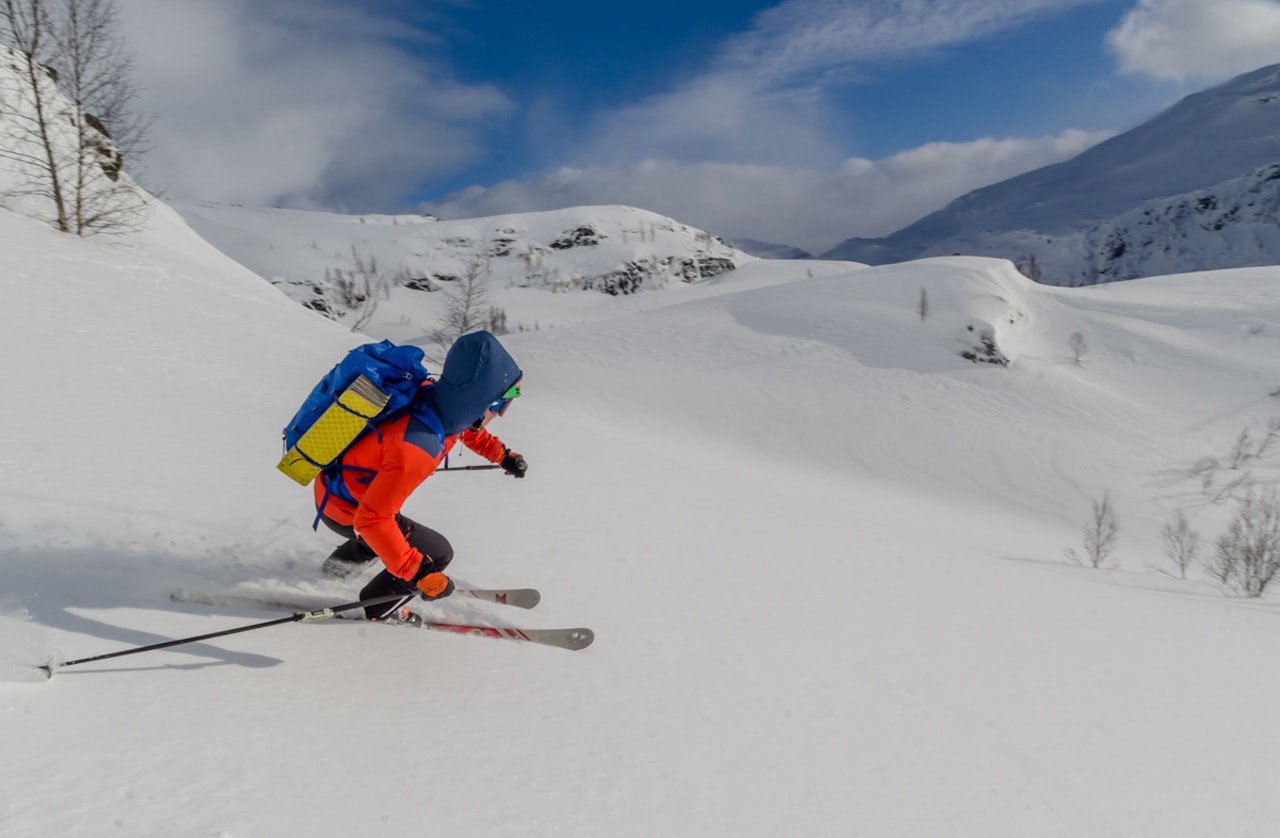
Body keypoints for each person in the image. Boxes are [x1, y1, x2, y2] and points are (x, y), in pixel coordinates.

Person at [314, 331, 528, 621]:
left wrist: (501, 454)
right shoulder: (417, 446)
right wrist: (419, 572)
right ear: (481, 400)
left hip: (333, 492)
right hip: (351, 510)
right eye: (504, 401)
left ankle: (333, 573)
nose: (502, 413)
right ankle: (379, 609)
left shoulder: (434, 399)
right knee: (437, 552)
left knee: (386, 528)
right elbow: (372, 520)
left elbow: (465, 430)